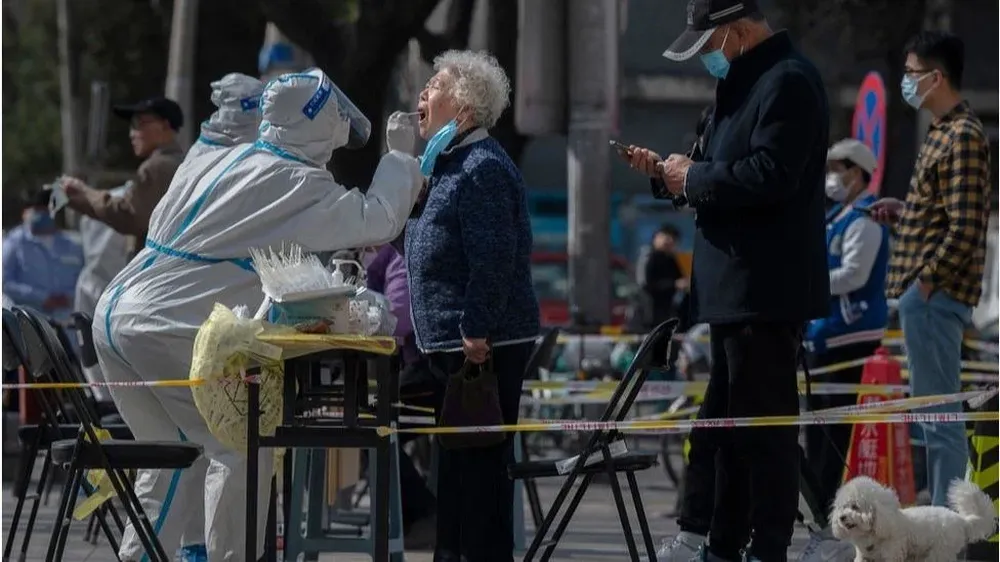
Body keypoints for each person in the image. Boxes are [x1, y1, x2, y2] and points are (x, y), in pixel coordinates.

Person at [90, 68, 423, 561]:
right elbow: (378, 218)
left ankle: (170, 554)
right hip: (162, 325)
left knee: (171, 457)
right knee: (239, 445)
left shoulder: (223, 158)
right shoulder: (295, 182)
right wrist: (399, 158)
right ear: (321, 123)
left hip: (115, 317)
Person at [631, 1, 830, 561]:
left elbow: (770, 174)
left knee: (762, 433)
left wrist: (693, 177)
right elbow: (712, 170)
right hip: (733, 289)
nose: (708, 60)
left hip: (762, 288)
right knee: (725, 430)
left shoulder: (787, 81)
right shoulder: (744, 84)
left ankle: (768, 546)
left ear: (738, 33)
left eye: (710, 45)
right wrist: (673, 176)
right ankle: (721, 541)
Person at [395, 49, 540, 562]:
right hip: (450, 341)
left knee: (479, 477)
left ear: (465, 106)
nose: (421, 95)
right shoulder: (444, 164)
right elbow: (421, 247)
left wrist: (476, 330)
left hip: (480, 345)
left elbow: (495, 258)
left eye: (433, 85)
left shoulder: (480, 167)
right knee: (456, 472)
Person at [869, 31, 991, 507]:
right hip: (928, 296)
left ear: (936, 77)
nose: (906, 81)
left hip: (936, 296)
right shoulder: (943, 130)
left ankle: (947, 523)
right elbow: (946, 215)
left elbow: (965, 229)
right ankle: (944, 516)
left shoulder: (962, 135)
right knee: (932, 414)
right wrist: (908, 212)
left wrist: (927, 279)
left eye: (912, 73)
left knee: (939, 417)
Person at [799, 138, 889, 562]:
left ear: (857, 173)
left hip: (846, 335)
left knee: (830, 437)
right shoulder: (838, 217)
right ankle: (823, 524)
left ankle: (829, 532)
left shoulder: (865, 219)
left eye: (838, 168)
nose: (831, 177)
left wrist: (808, 282)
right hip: (824, 334)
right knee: (818, 434)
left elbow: (854, 275)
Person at [363, 245, 438, 548]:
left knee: (372, 431)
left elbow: (398, 320)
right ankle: (412, 518)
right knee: (372, 430)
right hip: (424, 367)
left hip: (428, 371)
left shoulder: (396, 257)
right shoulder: (394, 257)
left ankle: (423, 514)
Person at [61, 96, 185, 258]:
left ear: (165, 125)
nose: (132, 134)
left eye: (138, 124)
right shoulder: (183, 163)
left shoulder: (156, 167)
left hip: (154, 268)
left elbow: (128, 216)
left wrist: (85, 192)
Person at [2, 189, 84, 324]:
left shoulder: (73, 245)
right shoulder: (13, 243)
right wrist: (43, 298)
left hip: (67, 325)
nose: (41, 214)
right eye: (36, 209)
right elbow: (6, 283)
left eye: (45, 209)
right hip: (29, 325)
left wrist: (67, 297)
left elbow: (84, 281)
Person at [643, 224, 687, 328]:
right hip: (650, 311)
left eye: (673, 239)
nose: (669, 241)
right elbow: (647, 284)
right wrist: (674, 284)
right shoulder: (649, 257)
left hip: (668, 310)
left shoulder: (670, 259)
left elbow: (680, 278)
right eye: (666, 237)